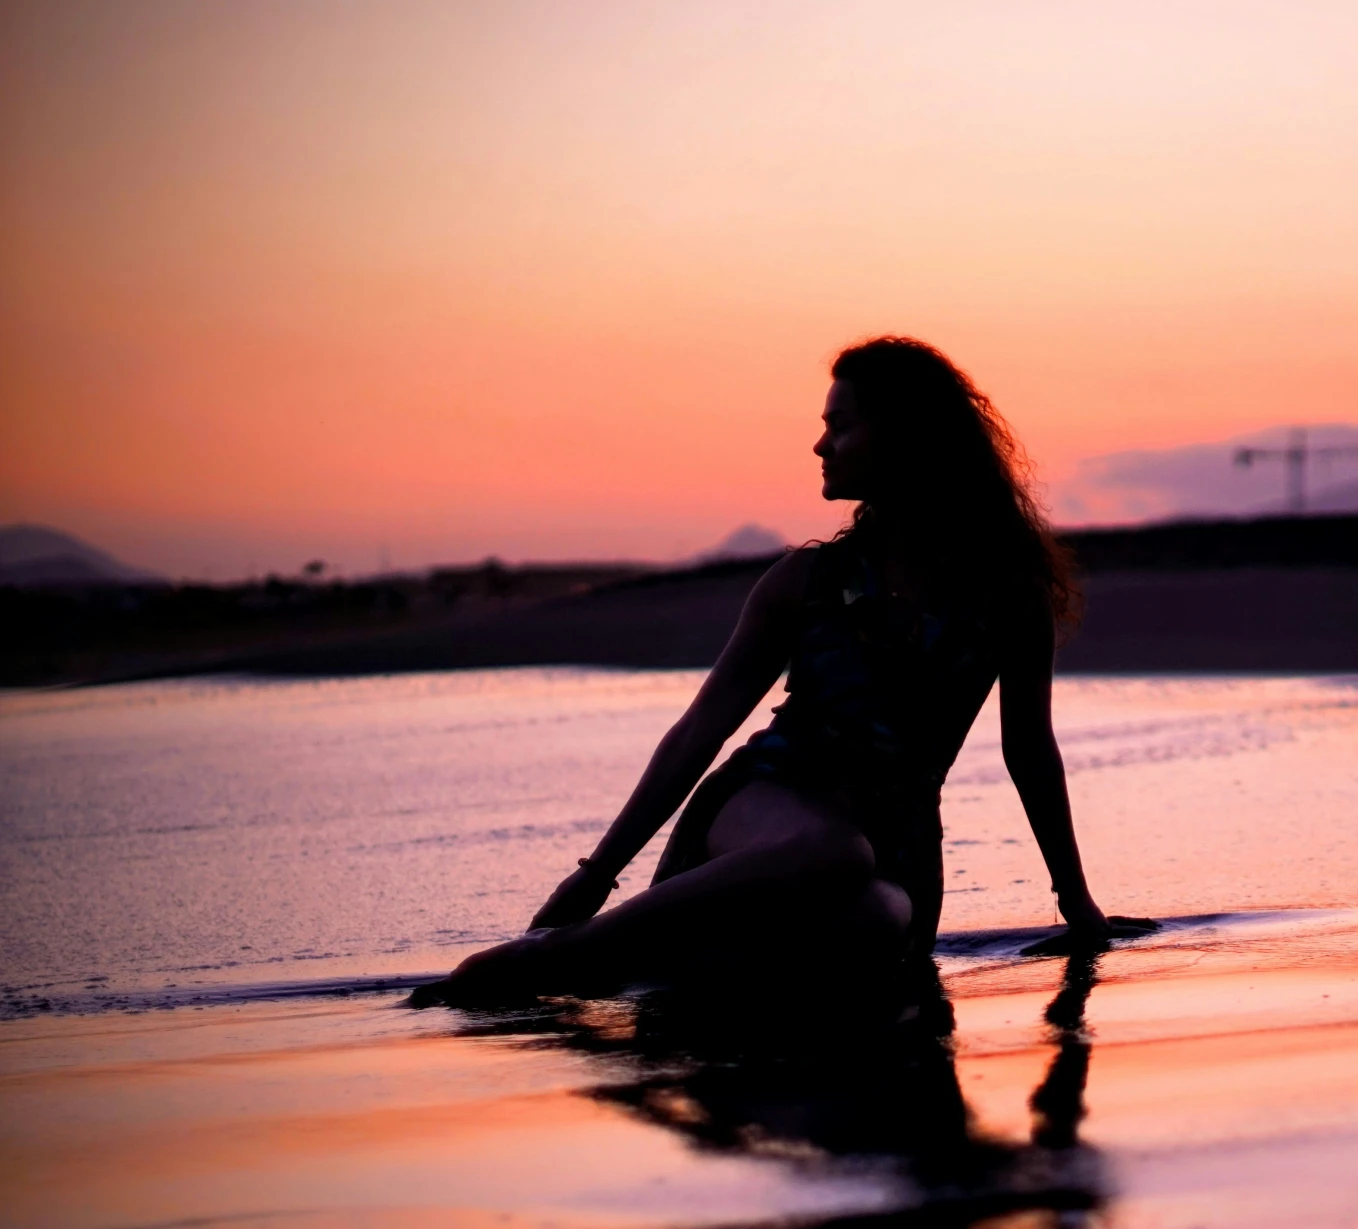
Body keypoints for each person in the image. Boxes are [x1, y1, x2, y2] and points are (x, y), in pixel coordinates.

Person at [420, 337, 1147, 1007]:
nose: (820, 443)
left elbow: (1030, 748)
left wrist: (1075, 900)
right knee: (826, 851)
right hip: (762, 808)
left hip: (894, 843)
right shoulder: (805, 581)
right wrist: (594, 875)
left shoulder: (1006, 594)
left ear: (902, 436)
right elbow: (700, 730)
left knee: (876, 922)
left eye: (842, 424)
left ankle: (670, 981)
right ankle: (562, 957)